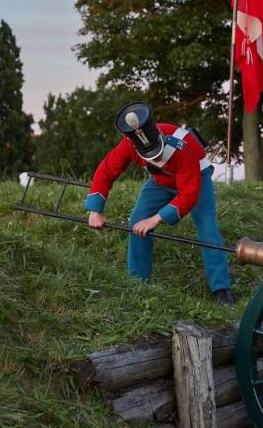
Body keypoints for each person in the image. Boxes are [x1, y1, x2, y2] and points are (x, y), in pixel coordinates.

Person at [84, 102, 233, 305]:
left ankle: (221, 289)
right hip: (160, 181)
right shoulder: (129, 143)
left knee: (207, 227)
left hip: (196, 176)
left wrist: (156, 219)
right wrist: (95, 211)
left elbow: (188, 195)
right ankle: (137, 283)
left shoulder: (183, 147)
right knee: (137, 221)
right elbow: (106, 170)